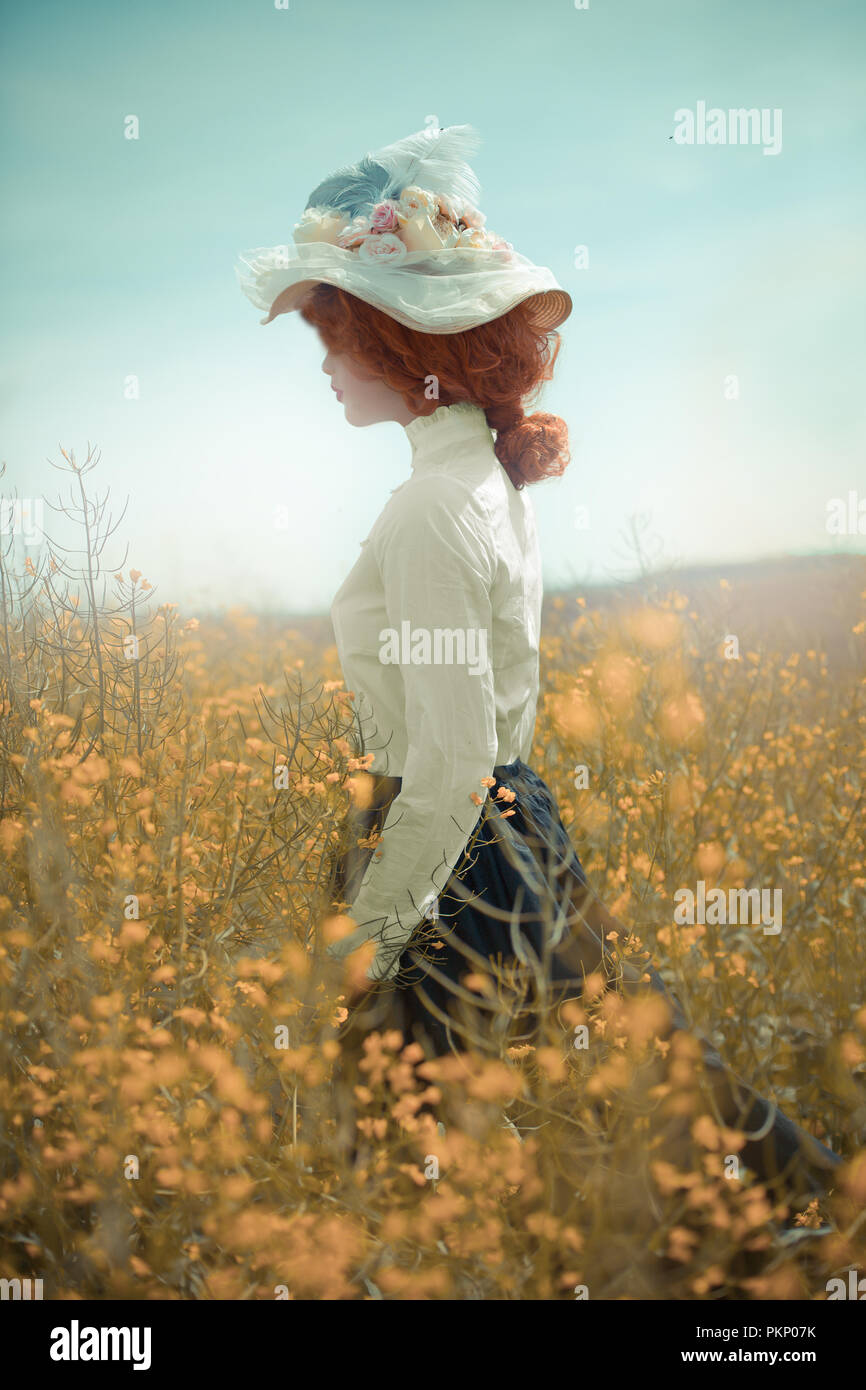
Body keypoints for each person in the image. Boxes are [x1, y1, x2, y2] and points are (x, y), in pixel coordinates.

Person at [237, 124, 843, 1209]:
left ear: (399, 345)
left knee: (391, 1153)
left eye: (340, 338)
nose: (325, 366)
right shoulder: (483, 480)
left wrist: (362, 943)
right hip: (517, 821)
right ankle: (805, 1207)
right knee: (647, 1058)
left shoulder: (433, 507)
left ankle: (782, 1230)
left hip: (450, 844)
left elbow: (450, 758)